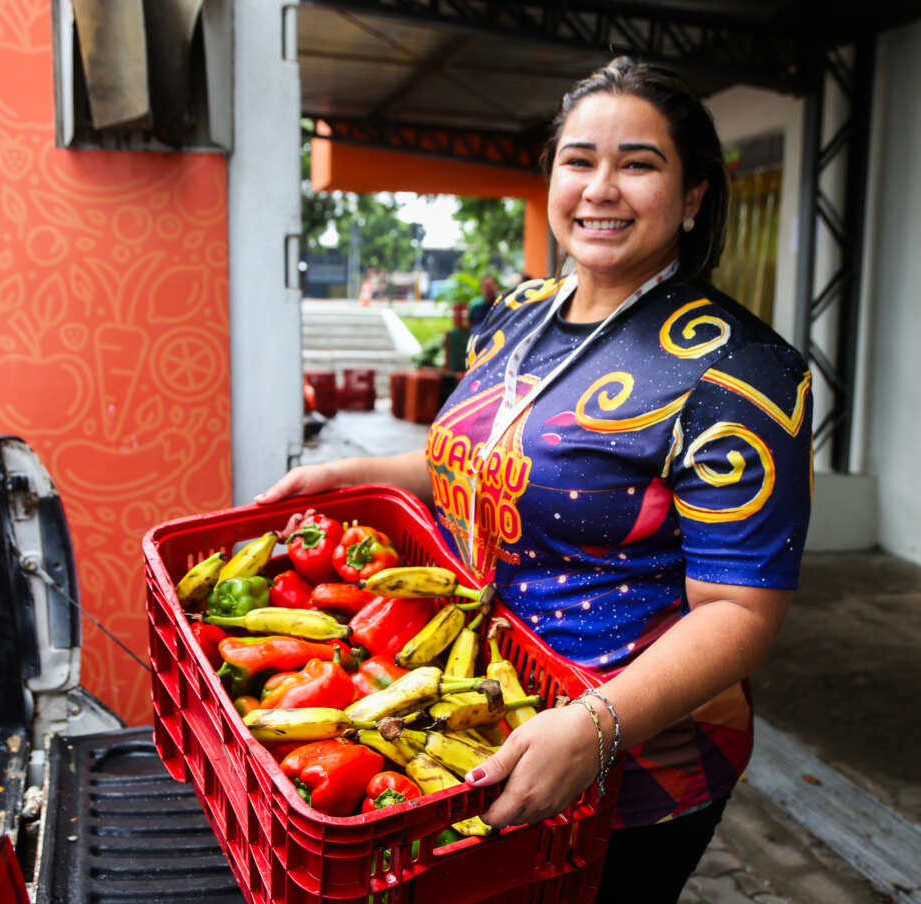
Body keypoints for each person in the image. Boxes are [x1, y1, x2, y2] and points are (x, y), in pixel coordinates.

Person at [256, 56, 812, 903]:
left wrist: (596, 728)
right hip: (479, 709)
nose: (601, 188)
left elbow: (739, 614)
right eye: (579, 160)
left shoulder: (739, 372)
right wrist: (353, 474)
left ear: (695, 194)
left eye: (638, 163)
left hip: (636, 764)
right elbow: (480, 466)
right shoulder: (518, 314)